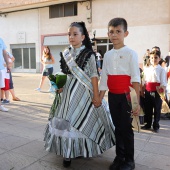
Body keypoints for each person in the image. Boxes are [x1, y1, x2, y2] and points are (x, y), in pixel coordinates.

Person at [44, 22, 115, 168]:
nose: (71, 37)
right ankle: (67, 153)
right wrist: (60, 86)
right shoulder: (65, 53)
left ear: (83, 36)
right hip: (67, 93)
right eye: (69, 34)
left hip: (84, 92)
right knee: (66, 120)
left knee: (81, 119)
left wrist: (96, 96)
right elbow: (64, 73)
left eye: (75, 34)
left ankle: (80, 148)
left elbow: (94, 76)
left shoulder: (89, 54)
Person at [98, 18, 140, 170]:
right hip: (113, 97)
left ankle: (129, 160)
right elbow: (104, 79)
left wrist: (137, 103)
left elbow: (135, 78)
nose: (114, 35)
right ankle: (119, 156)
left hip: (127, 97)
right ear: (108, 34)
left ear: (125, 33)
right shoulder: (107, 55)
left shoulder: (131, 54)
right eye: (111, 32)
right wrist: (100, 97)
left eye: (118, 31)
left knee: (126, 128)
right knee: (117, 127)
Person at [141, 50, 167, 133]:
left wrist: (162, 94)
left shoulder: (161, 70)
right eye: (152, 58)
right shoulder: (147, 68)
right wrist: (142, 89)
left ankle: (156, 125)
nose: (153, 59)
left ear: (159, 59)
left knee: (157, 109)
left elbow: (163, 82)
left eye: (156, 58)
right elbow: (144, 80)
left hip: (157, 91)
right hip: (148, 91)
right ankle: (148, 124)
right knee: (148, 108)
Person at [0, 37, 10, 111]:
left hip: (1, 68)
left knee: (0, 87)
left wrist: (8, 64)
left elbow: (4, 53)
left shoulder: (1, 40)